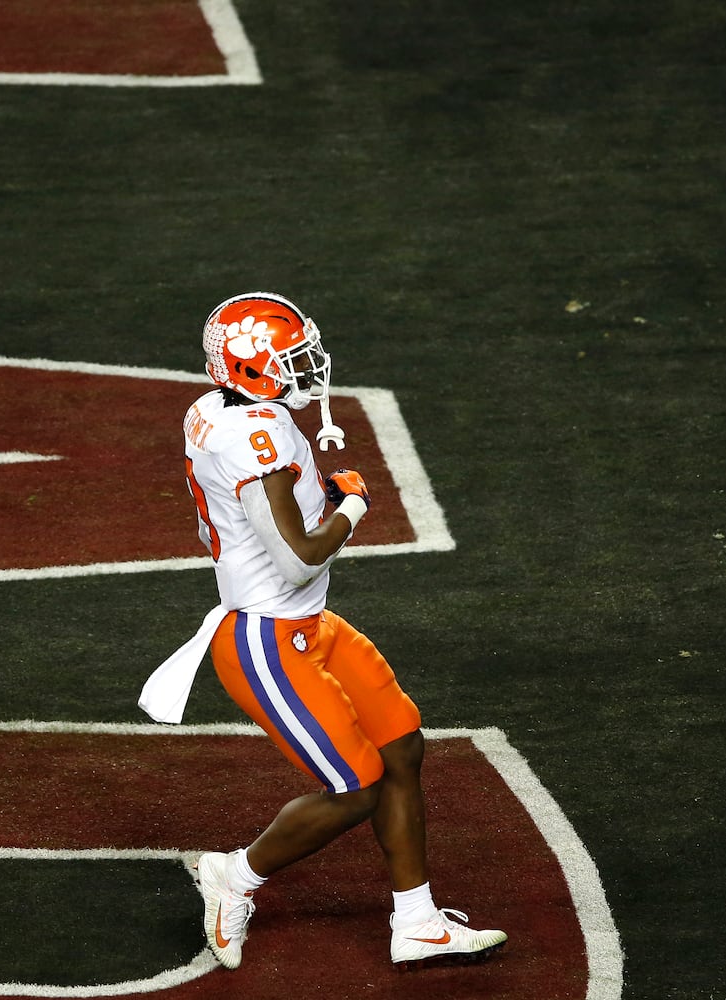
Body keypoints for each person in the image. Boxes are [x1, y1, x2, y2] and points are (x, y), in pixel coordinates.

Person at [139, 292, 507, 970]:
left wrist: (323, 502)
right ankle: (235, 876)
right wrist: (355, 507)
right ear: (252, 369)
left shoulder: (223, 409)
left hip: (307, 625)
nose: (306, 365)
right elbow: (298, 556)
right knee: (356, 784)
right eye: (289, 357)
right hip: (264, 639)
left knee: (401, 749)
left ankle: (418, 922)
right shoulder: (256, 436)